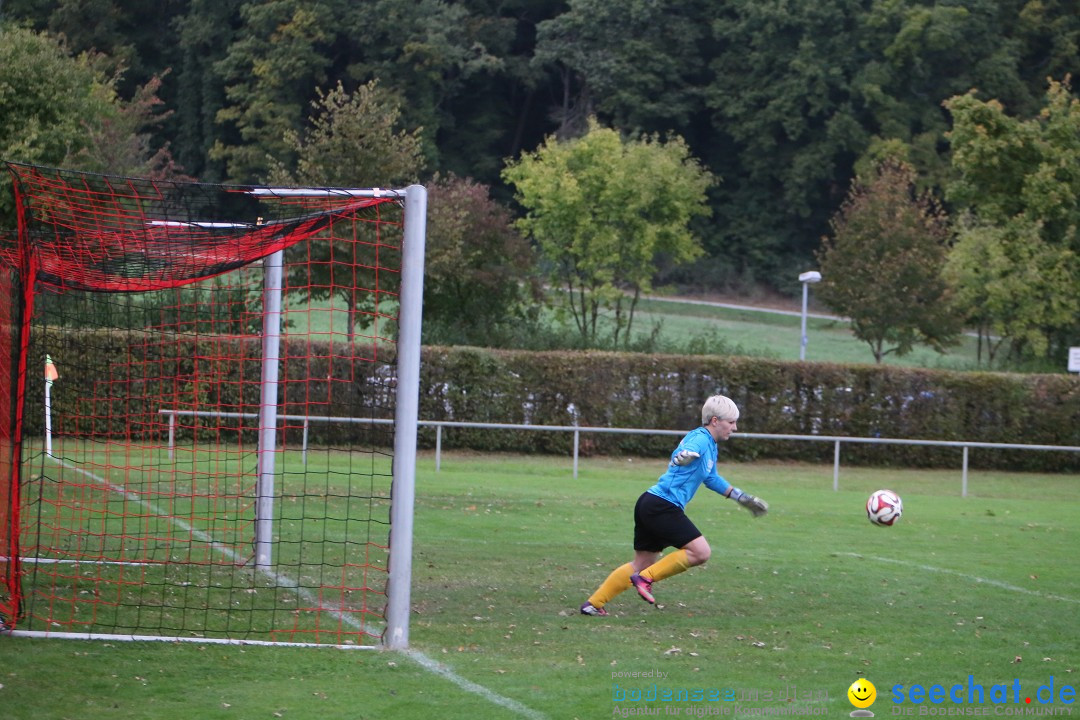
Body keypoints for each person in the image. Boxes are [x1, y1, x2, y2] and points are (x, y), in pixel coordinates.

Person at [580, 394, 768, 616]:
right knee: (700, 552)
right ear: (715, 421)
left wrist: (740, 497)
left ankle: (594, 604)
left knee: (640, 563)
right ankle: (645, 579)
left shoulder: (710, 445)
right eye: (731, 422)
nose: (735, 427)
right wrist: (682, 456)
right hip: (662, 505)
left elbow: (711, 478)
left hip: (650, 503)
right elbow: (684, 451)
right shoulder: (700, 438)